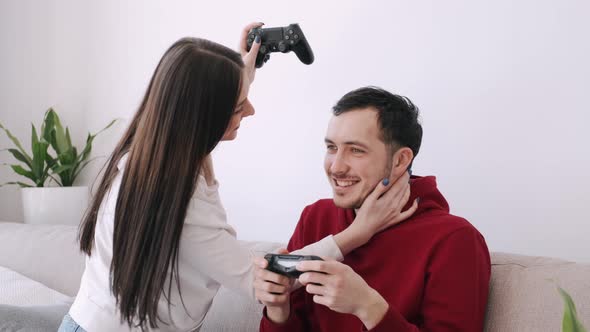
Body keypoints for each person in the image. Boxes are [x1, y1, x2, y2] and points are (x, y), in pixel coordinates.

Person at [57, 24, 417, 332]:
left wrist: (239, 72)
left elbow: (195, 114)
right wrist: (359, 232)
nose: (251, 110)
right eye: (237, 104)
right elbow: (258, 280)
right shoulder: (183, 204)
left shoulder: (144, 160)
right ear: (204, 119)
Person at [254, 87, 491, 331]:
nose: (336, 167)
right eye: (332, 147)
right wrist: (278, 310)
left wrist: (368, 306)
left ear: (400, 160)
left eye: (356, 150)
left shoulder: (455, 239)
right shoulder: (316, 217)